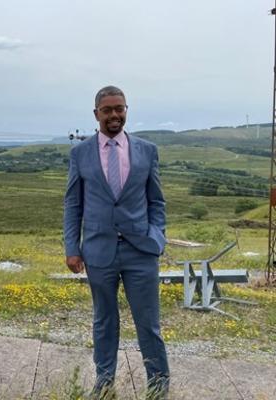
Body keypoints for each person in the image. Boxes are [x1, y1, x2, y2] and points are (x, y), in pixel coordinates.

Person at [63, 86, 169, 399]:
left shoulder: (146, 151)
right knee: (104, 321)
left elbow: (156, 201)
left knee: (148, 324)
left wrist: (157, 236)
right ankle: (104, 383)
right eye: (107, 110)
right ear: (96, 113)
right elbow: (73, 204)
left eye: (119, 109)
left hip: (141, 251)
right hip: (99, 250)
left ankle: (158, 387)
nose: (114, 115)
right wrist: (72, 248)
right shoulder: (80, 153)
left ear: (126, 110)